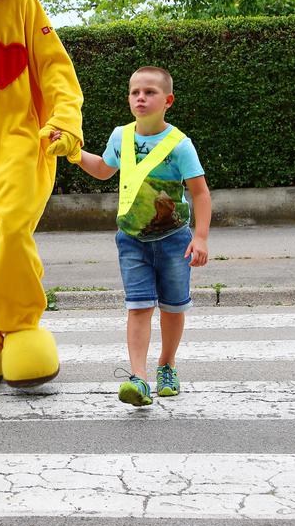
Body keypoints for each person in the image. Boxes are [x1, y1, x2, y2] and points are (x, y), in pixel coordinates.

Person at [71, 66, 211, 406]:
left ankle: (166, 365)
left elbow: (201, 193)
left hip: (175, 241)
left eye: (149, 92)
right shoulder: (121, 137)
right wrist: (74, 155)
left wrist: (201, 238)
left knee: (173, 308)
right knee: (138, 307)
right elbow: (104, 170)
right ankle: (139, 378)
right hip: (131, 239)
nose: (141, 98)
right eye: (135, 92)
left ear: (168, 101)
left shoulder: (180, 145)